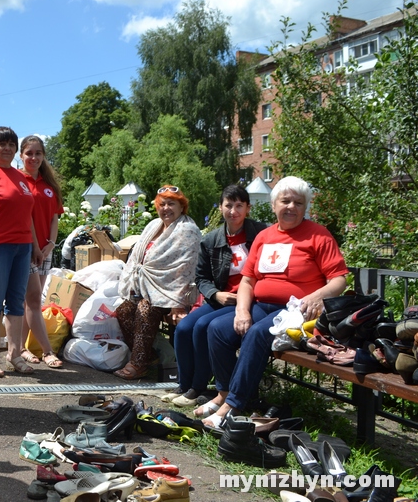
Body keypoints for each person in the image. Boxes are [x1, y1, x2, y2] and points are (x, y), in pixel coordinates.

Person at [202, 176, 349, 427]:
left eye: (298, 203)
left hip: (297, 311)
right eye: (285, 201)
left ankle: (233, 406)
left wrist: (316, 296)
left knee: (258, 334)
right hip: (263, 306)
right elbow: (248, 281)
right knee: (217, 329)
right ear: (273, 205)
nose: (291, 206)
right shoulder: (265, 236)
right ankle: (225, 392)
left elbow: (339, 280)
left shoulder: (319, 236)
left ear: (306, 208)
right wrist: (241, 311)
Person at [166, 185, 268, 407]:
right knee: (183, 328)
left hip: (247, 300)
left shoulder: (261, 234)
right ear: (221, 207)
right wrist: (216, 294)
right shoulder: (210, 240)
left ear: (248, 208)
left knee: (202, 326)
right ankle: (185, 386)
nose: (233, 211)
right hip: (222, 298)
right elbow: (201, 277)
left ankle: (199, 387)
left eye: (239, 205)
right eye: (228, 205)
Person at [0, 126, 43, 377]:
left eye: (11, 144)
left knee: (16, 302)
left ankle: (14, 354)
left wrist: (34, 245)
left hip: (22, 247)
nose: (7, 148)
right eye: (2, 144)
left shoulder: (21, 177)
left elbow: (29, 216)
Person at [113, 186, 201, 380]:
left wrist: (179, 302)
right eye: (162, 204)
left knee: (145, 309)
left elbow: (185, 269)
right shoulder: (153, 225)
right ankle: (150, 357)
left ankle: (138, 364)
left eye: (171, 204)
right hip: (146, 287)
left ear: (181, 207)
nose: (166, 208)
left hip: (172, 292)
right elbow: (138, 259)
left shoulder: (187, 229)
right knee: (123, 310)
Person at [18, 136, 64, 369]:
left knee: (31, 302)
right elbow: (26, 218)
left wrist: (51, 245)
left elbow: (54, 216)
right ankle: (47, 351)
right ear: (21, 155)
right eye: (29, 153)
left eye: (38, 153)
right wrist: (36, 247)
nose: (33, 158)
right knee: (34, 299)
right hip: (27, 248)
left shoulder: (49, 185)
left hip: (45, 250)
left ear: (43, 155)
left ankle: (20, 348)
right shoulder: (19, 181)